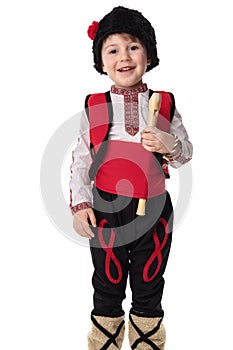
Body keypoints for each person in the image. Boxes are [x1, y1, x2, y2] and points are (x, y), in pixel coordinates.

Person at [69, 6, 193, 350]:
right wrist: (80, 205)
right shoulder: (95, 105)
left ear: (149, 54)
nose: (124, 57)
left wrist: (170, 143)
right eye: (113, 50)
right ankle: (105, 340)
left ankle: (147, 341)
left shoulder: (164, 103)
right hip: (107, 208)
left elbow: (184, 155)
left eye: (133, 46)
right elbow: (81, 159)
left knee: (149, 279)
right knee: (107, 280)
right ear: (102, 62)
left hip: (154, 208)